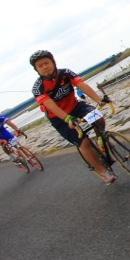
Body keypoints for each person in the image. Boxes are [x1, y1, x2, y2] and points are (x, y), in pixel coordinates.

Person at [28, 50, 116, 184]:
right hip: (59, 117)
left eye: (47, 63)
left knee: (98, 118)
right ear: (37, 70)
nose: (45, 67)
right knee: (84, 142)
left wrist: (99, 100)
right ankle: (103, 171)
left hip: (75, 106)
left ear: (53, 62)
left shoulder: (66, 73)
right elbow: (51, 106)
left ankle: (100, 139)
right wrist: (68, 119)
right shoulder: (37, 88)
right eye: (40, 66)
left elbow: (82, 85)